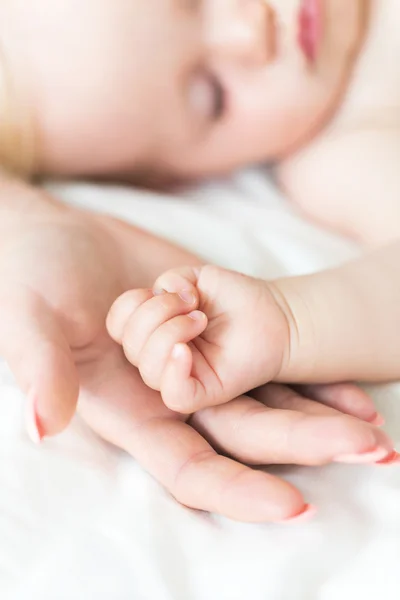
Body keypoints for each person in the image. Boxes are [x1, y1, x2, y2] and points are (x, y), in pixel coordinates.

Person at [0, 0, 398, 523]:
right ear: (185, 178)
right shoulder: (350, 149)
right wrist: (292, 321)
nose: (249, 31)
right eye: (212, 96)